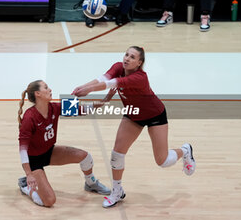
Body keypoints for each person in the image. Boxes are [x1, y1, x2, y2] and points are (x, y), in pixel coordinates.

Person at [72, 46, 196, 208]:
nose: (127, 59)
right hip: (133, 114)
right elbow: (101, 79)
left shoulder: (140, 77)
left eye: (132, 57)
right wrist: (83, 87)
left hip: (154, 115)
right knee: (117, 154)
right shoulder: (119, 67)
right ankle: (117, 191)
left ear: (139, 63)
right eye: (126, 55)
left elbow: (111, 83)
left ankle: (185, 150)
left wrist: (88, 90)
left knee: (163, 161)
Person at [17, 80, 110, 207]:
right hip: (34, 161)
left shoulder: (54, 107)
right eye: (46, 87)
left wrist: (103, 101)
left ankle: (91, 183)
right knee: (49, 201)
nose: (50, 89)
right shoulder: (29, 117)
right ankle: (27, 187)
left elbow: (81, 109)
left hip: (49, 152)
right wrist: (29, 174)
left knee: (85, 157)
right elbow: (22, 149)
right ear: (38, 93)